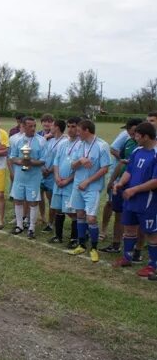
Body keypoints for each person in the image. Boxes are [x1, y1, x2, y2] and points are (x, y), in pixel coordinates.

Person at [111, 122, 157, 279]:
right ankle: (127, 257)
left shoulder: (156, 153)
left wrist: (134, 189)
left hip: (148, 201)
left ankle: (152, 266)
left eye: (137, 135)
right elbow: (129, 171)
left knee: (151, 233)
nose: (135, 138)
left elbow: (155, 181)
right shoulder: (137, 151)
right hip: (131, 198)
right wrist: (120, 183)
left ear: (145, 136)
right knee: (129, 227)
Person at [68, 120, 110, 263]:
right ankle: (81, 244)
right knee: (79, 214)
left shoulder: (102, 145)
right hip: (77, 186)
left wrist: (88, 181)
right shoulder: (79, 144)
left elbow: (105, 169)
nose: (76, 133)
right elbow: (72, 166)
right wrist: (80, 160)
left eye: (79, 131)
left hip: (92, 187)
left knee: (91, 218)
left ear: (86, 130)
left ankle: (94, 248)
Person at [101, 118, 143, 254]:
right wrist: (112, 181)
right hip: (121, 183)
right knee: (118, 213)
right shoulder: (129, 143)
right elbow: (122, 163)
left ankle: (136, 249)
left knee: (136, 217)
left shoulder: (149, 148)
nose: (133, 136)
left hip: (137, 186)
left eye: (135, 133)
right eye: (131, 133)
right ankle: (116, 244)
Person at [9, 117, 46, 239]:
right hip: (20, 177)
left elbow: (43, 161)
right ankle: (19, 225)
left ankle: (31, 227)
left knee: (33, 202)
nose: (33, 128)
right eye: (30, 126)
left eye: (34, 126)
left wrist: (30, 162)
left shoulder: (41, 141)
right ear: (23, 127)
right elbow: (12, 157)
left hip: (33, 178)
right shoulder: (16, 140)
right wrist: (21, 162)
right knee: (18, 199)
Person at [49, 117, 81, 247]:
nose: (71, 129)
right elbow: (56, 162)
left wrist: (67, 180)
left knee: (72, 211)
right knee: (58, 209)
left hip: (70, 184)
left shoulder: (82, 145)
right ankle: (58, 235)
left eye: (74, 126)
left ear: (79, 128)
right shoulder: (63, 143)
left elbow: (80, 169)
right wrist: (56, 176)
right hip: (58, 182)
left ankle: (74, 238)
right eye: (69, 126)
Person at [40, 119, 66, 233]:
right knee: (42, 197)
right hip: (44, 173)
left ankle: (51, 223)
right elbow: (44, 155)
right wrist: (43, 168)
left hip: (52, 175)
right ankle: (46, 219)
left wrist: (50, 170)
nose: (50, 126)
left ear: (57, 127)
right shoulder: (50, 140)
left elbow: (60, 160)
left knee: (52, 200)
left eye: (52, 125)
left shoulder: (64, 142)